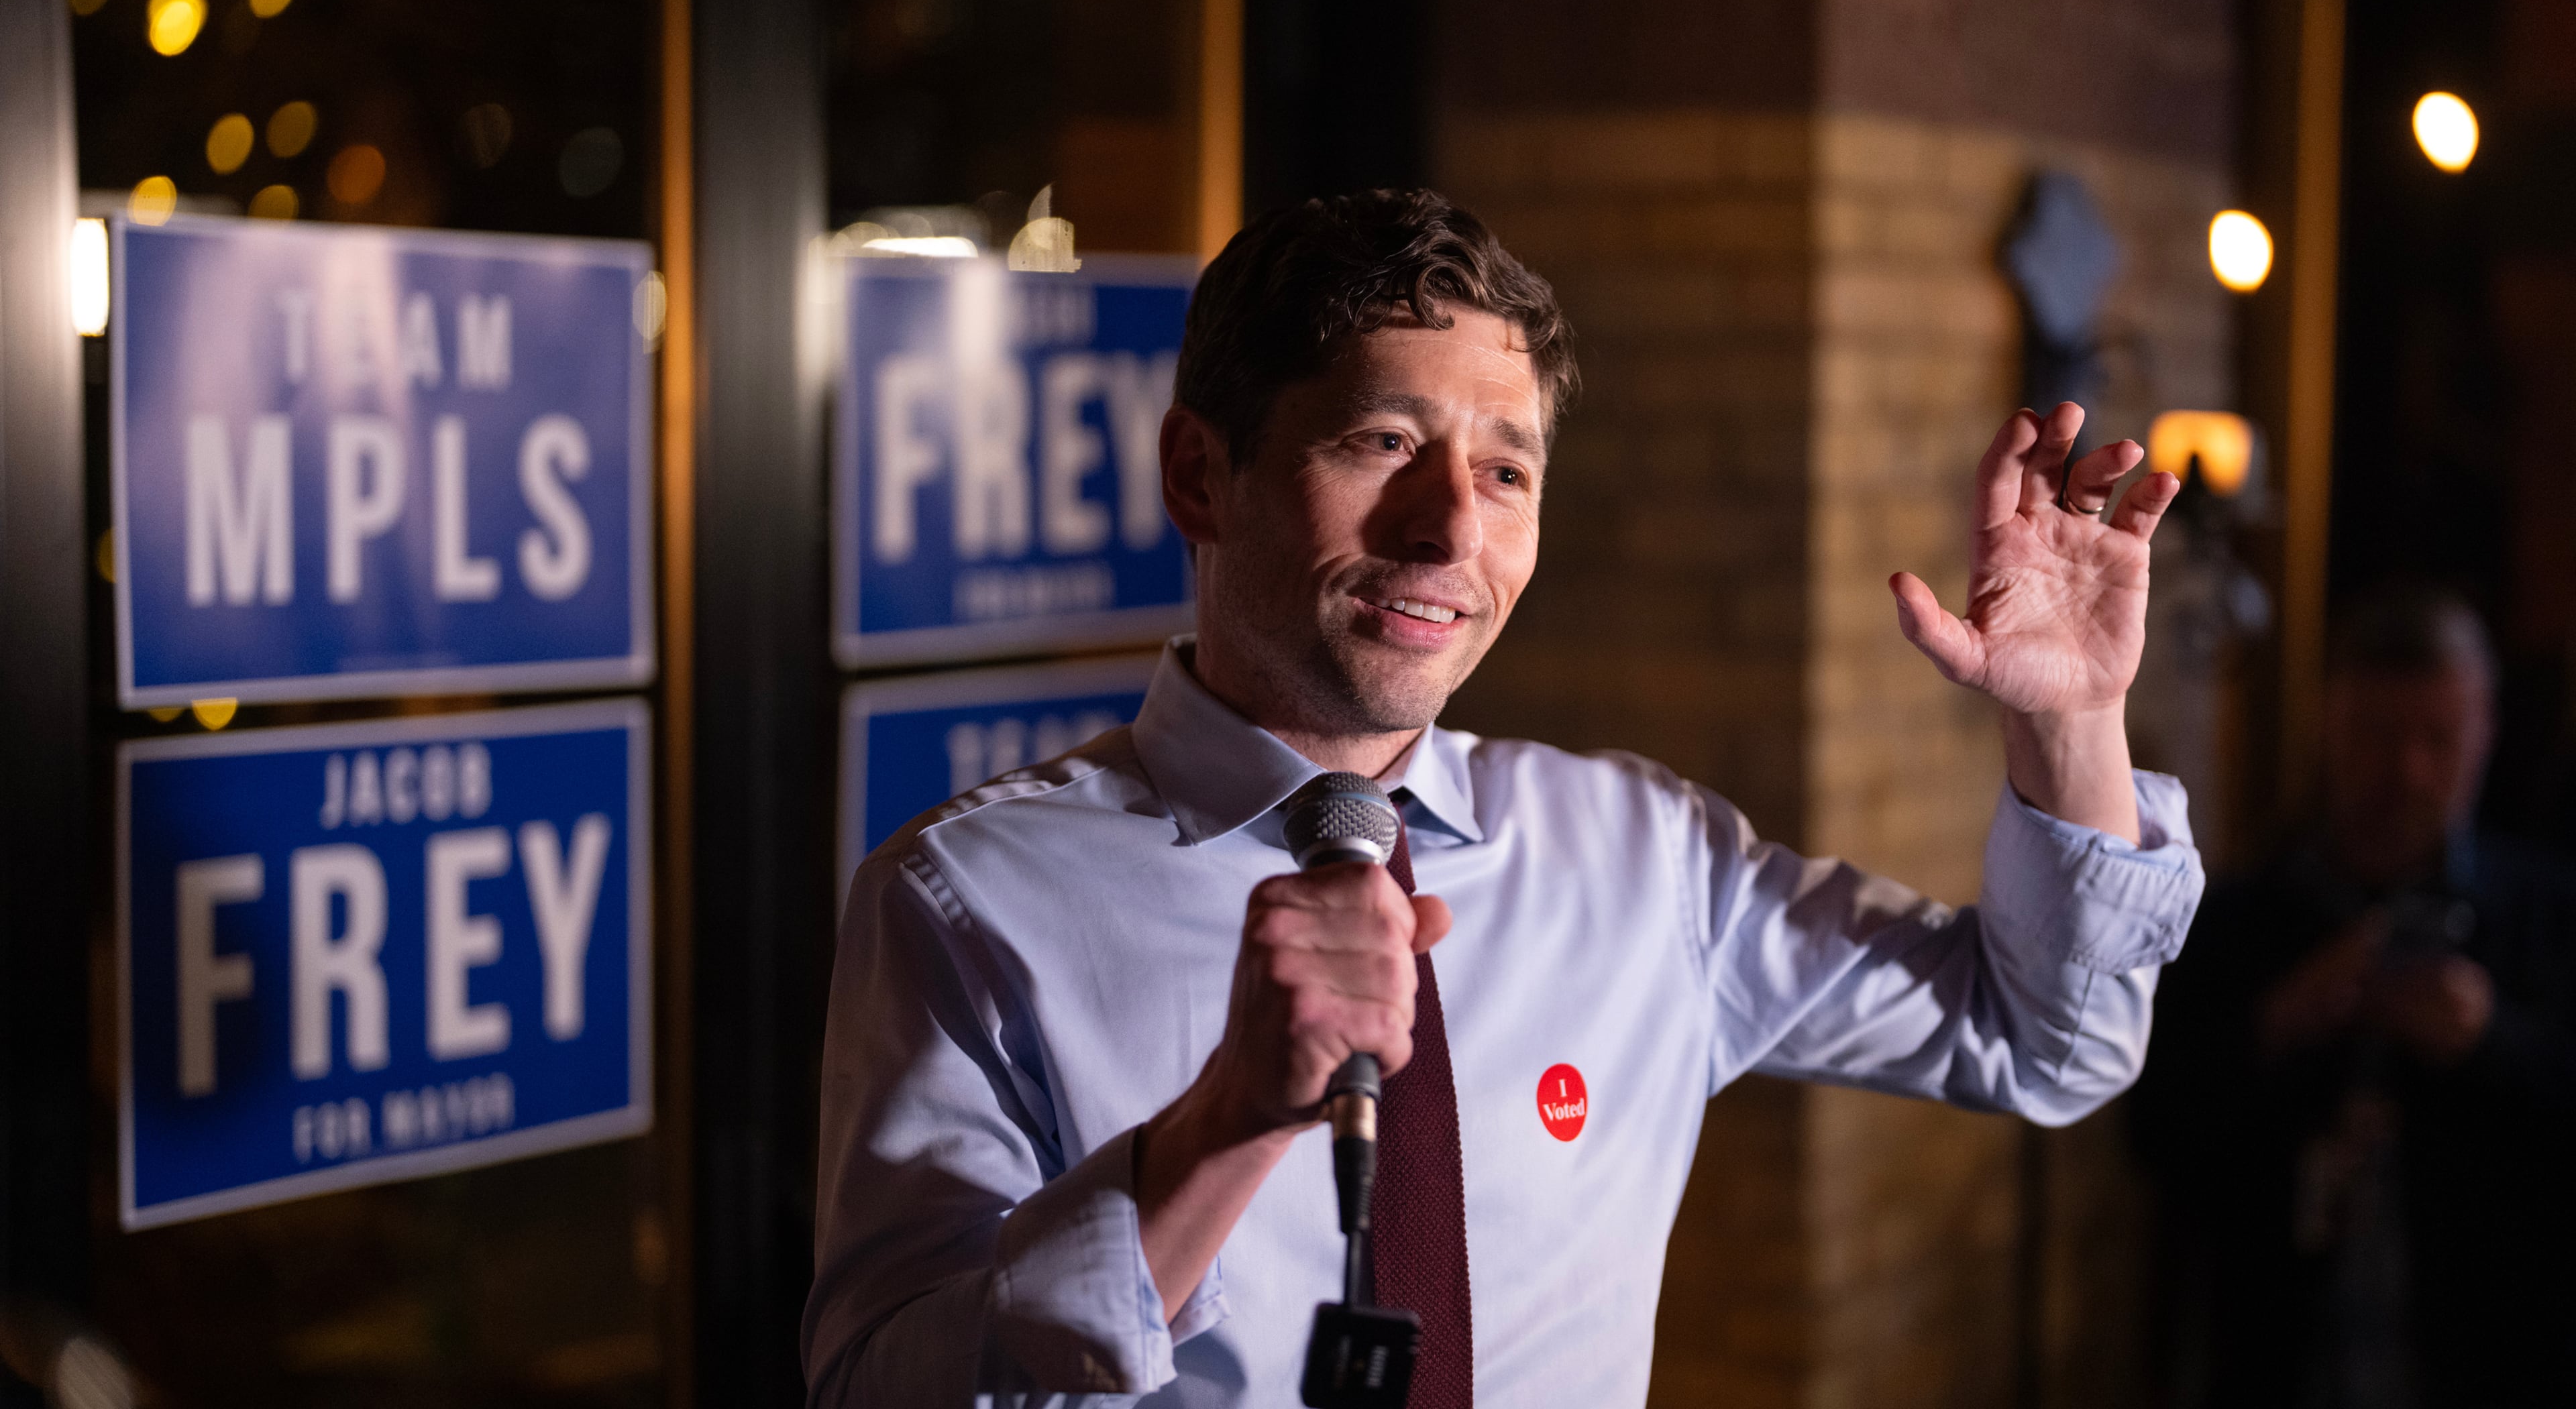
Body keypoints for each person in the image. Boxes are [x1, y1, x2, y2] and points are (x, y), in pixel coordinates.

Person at [803, 189, 2206, 1406]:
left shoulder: (1643, 858)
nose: (1452, 528)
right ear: (1199, 475)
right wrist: (1223, 1122)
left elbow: (2049, 1042)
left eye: (1507, 470)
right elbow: (882, 1387)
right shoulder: (967, 899)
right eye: (1380, 444)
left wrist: (2072, 723)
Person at [2134, 586, 2576, 1407]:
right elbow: (2154, 1131)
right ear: (2326, 728)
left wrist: (2492, 1041)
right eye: (2376, 736)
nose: (2406, 773)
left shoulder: (2549, 916)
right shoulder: (2235, 921)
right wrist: (2277, 1024)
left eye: (2437, 740)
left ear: (2484, 736)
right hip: (2275, 1364)